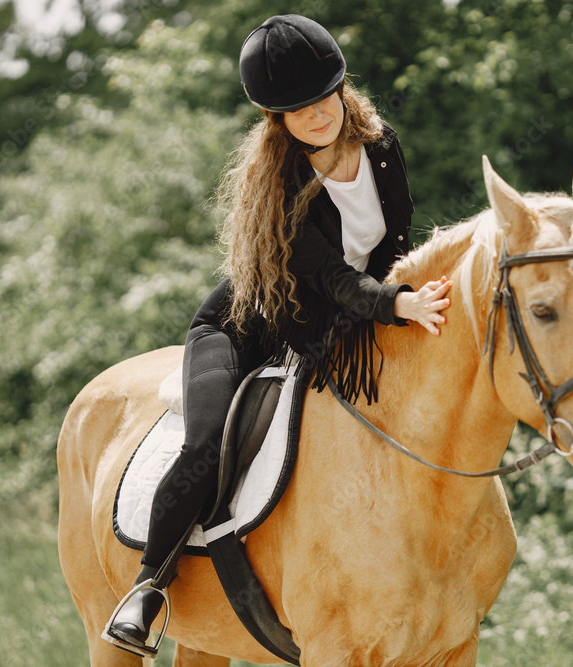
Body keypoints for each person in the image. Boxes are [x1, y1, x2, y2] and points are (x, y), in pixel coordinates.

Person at [103, 14, 452, 656]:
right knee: (206, 444)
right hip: (249, 327)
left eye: (324, 98)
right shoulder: (281, 180)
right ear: (277, 118)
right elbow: (330, 279)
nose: (316, 115)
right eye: (297, 109)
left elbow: (396, 242)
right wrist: (394, 304)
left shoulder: (381, 147)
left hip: (347, 319)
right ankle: (148, 588)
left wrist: (406, 298)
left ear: (342, 89)